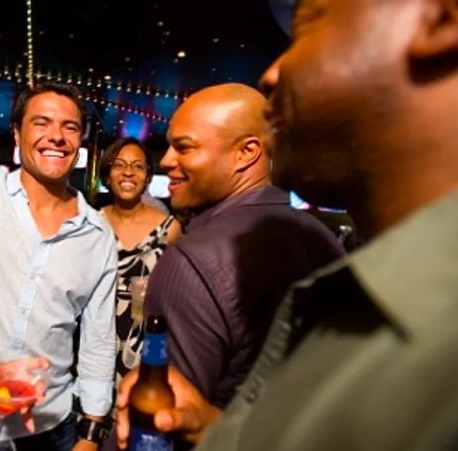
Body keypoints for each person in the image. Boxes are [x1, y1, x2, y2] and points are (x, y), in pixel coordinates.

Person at [117, 0, 458, 449]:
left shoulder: (193, 263)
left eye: (307, 26)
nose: (271, 73)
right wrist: (217, 431)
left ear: (440, 17)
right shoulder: (338, 252)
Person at [142, 82, 344, 410]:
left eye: (184, 148)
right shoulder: (320, 236)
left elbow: (163, 423)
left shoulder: (192, 261)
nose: (165, 161)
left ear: (246, 153)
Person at [0, 82, 117, 451]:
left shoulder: (97, 234)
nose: (57, 136)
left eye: (70, 127)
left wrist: (91, 434)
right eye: (42, 122)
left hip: (50, 429)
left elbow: (98, 341)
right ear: (17, 134)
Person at [98, 137, 181, 383]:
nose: (128, 173)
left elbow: (177, 296)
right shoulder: (92, 223)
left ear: (147, 176)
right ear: (108, 174)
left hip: (147, 342)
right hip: (97, 337)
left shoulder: (170, 228)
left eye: (138, 166)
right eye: (119, 165)